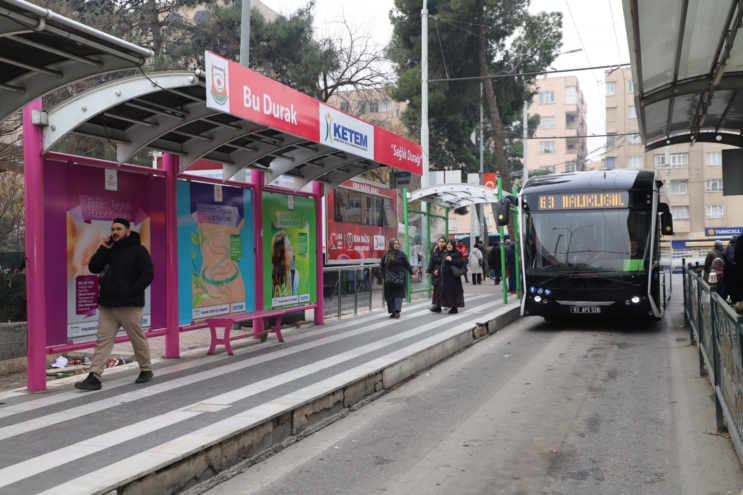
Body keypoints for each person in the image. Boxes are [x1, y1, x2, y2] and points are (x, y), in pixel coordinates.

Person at [75, 218, 154, 391]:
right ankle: (94, 376)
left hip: (129, 306)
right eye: (113, 229)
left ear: (127, 231)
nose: (115, 232)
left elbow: (148, 274)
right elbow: (94, 267)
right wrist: (104, 248)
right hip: (108, 307)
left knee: (137, 339)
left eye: (119, 229)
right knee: (102, 341)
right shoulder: (108, 250)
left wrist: (130, 292)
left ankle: (146, 369)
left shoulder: (138, 250)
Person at [380, 238, 416, 319]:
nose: (397, 245)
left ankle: (397, 311)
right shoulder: (386, 255)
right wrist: (383, 275)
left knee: (399, 294)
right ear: (391, 245)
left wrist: (412, 273)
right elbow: (382, 265)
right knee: (390, 295)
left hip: (400, 277)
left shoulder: (401, 254)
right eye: (395, 244)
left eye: (398, 243)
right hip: (389, 278)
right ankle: (392, 311)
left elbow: (407, 264)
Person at [438, 240, 465, 314]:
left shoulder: (456, 253)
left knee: (453, 292)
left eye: (450, 244)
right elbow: (442, 264)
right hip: (445, 277)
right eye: (448, 244)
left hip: (453, 278)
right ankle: (439, 306)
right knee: (443, 291)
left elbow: (460, 262)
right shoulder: (446, 253)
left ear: (453, 246)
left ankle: (454, 308)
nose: (449, 246)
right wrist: (438, 270)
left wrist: (451, 260)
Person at [271, 231, 300, 296]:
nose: (293, 249)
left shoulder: (295, 275)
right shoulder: (272, 282)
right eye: (289, 249)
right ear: (281, 257)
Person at [426, 237, 447, 312]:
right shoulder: (435, 252)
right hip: (435, 274)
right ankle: (436, 305)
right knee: (435, 289)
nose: (441, 243)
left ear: (445, 243)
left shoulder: (446, 252)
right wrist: (428, 271)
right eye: (440, 241)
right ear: (438, 242)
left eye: (442, 242)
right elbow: (432, 263)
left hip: (444, 274)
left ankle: (446, 304)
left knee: (444, 289)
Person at [724, 235, 738, 302]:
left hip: (728, 269)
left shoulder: (727, 247)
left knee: (729, 285)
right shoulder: (739, 247)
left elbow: (724, 256)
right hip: (737, 269)